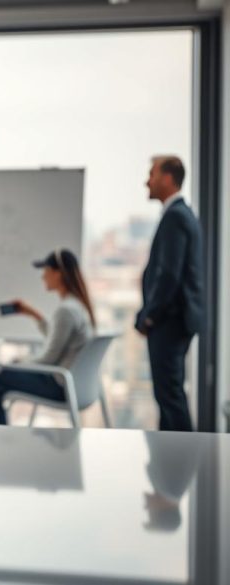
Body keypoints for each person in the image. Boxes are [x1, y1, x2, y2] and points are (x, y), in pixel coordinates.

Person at [0, 249, 96, 425]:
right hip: (74, 385)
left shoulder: (66, 311)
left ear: (58, 273)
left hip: (59, 386)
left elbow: (48, 359)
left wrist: (18, 362)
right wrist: (33, 314)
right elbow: (58, 340)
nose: (43, 276)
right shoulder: (77, 307)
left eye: (46, 270)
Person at [136, 155, 202, 432]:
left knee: (169, 397)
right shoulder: (181, 214)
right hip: (175, 320)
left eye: (151, 174)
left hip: (169, 321)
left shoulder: (175, 217)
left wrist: (150, 316)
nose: (146, 182)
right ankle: (173, 456)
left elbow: (169, 276)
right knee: (169, 395)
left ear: (166, 178)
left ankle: (184, 457)